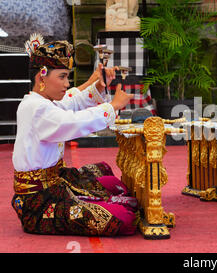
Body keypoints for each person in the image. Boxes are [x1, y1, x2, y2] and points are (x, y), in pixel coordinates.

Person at [11, 36, 137, 236]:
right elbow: (73, 122)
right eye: (62, 77)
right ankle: (99, 202)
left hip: (55, 182)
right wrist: (113, 106)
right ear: (41, 77)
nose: (67, 83)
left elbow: (71, 101)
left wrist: (96, 85)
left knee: (103, 172)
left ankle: (96, 199)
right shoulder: (35, 108)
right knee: (124, 218)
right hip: (39, 202)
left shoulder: (44, 102)